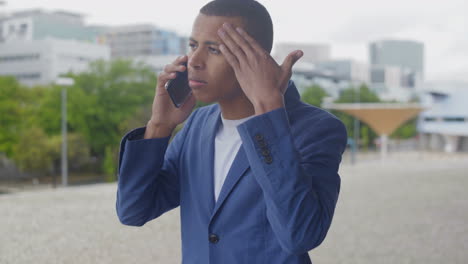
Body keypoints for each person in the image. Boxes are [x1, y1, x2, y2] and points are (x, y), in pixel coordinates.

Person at [116, 0, 347, 263]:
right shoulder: (196, 125)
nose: (194, 61)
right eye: (193, 46)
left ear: (256, 56)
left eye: (214, 50)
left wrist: (269, 108)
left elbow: (300, 235)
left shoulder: (317, 129)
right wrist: (159, 126)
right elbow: (133, 211)